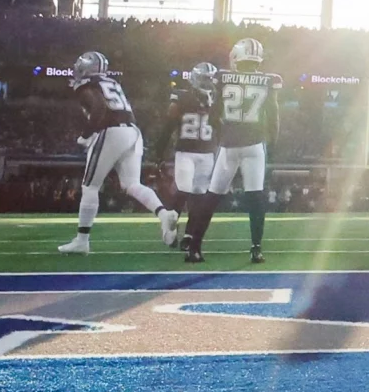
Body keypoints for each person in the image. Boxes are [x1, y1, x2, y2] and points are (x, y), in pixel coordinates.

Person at [58, 50, 177, 254]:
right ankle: (163, 214)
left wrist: (86, 134)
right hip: (132, 131)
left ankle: (82, 240)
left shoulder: (87, 85)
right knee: (132, 184)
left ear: (87, 66)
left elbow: (98, 109)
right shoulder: (112, 83)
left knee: (90, 186)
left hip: (111, 131)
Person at [188, 38, 280, 264]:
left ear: (238, 56)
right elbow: (274, 116)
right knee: (255, 197)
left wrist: (222, 133)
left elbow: (213, 114)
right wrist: (274, 143)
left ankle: (195, 247)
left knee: (212, 196)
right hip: (254, 145)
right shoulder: (269, 80)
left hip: (229, 145)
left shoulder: (222, 77)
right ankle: (256, 249)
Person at [164, 62, 219, 250]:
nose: (208, 83)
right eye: (204, 79)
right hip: (186, 151)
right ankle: (170, 224)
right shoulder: (182, 96)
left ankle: (188, 235)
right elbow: (169, 123)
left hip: (207, 152)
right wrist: (160, 148)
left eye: (210, 79)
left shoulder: (218, 99)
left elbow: (221, 127)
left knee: (199, 196)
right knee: (183, 189)